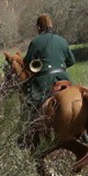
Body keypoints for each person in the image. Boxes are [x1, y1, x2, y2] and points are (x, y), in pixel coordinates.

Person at [20, 13, 75, 142]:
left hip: (43, 80)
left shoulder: (36, 42)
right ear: (51, 25)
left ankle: (26, 136)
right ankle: (84, 133)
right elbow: (71, 61)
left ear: (39, 28)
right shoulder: (62, 40)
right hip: (63, 78)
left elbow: (27, 62)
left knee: (29, 105)